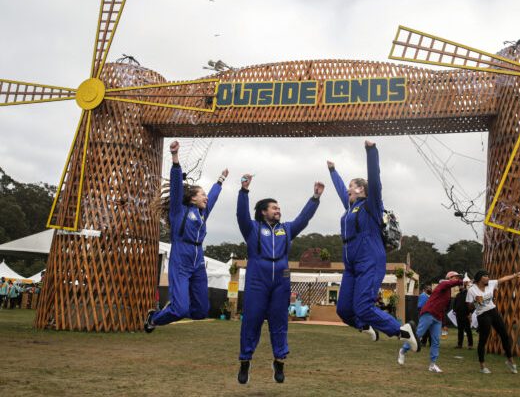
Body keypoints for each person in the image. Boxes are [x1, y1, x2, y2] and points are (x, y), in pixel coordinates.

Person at [327, 140, 418, 351]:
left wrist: (371, 151)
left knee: (363, 306)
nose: (348, 190)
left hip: (370, 259)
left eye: (352, 186)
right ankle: (365, 325)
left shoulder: (371, 206)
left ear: (360, 189)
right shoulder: (351, 208)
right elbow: (341, 190)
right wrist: (333, 171)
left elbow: (375, 181)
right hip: (351, 265)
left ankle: (403, 330)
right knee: (344, 310)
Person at [236, 173, 324, 384]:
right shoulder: (252, 228)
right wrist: (244, 191)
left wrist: (315, 198)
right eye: (274, 208)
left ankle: (279, 361)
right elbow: (240, 214)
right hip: (258, 277)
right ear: (264, 211)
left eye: (279, 208)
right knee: (252, 320)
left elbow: (304, 219)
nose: (278, 211)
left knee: (279, 321)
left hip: (281, 281)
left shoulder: (286, 229)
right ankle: (245, 362)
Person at [144, 140, 227, 332]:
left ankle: (175, 308)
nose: (206, 197)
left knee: (201, 311)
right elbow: (175, 187)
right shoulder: (178, 211)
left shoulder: (202, 213)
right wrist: (175, 159)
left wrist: (220, 180)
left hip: (198, 261)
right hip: (181, 259)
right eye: (202, 194)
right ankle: (154, 318)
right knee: (180, 309)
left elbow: (213, 198)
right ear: (192, 198)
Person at [398, 271, 467, 372]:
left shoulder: (449, 290)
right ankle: (402, 351)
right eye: (456, 277)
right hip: (428, 313)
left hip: (437, 317)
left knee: (436, 341)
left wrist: (444, 323)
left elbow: (443, 308)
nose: (457, 279)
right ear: (450, 278)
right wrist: (462, 281)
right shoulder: (444, 283)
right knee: (418, 335)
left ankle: (432, 365)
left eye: (458, 278)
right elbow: (451, 283)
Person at [467, 269, 520, 374]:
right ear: (480, 278)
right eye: (485, 276)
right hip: (482, 314)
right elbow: (469, 305)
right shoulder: (472, 290)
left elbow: (502, 279)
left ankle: (510, 361)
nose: (488, 278)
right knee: (483, 340)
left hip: (493, 311)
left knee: (504, 335)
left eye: (488, 276)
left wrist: (515, 275)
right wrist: (476, 301)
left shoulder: (490, 284)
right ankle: (482, 366)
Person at [453, 280, 474, 349]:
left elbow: (470, 305)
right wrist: (454, 310)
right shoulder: (458, 295)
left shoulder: (468, 294)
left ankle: (470, 345)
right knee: (460, 330)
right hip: (458, 315)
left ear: (464, 287)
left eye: (461, 285)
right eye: (459, 286)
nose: (460, 287)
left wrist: (470, 313)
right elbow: (455, 304)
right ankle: (459, 344)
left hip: (466, 314)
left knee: (468, 330)